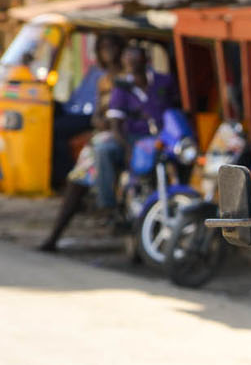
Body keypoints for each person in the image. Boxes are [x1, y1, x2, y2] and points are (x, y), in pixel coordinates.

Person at [37, 33, 125, 253]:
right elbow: (97, 115)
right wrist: (102, 123)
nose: (109, 51)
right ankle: (55, 236)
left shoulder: (131, 77)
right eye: (105, 47)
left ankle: (109, 208)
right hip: (106, 134)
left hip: (127, 136)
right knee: (77, 180)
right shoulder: (103, 79)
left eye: (113, 45)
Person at [96, 42, 182, 212]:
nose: (130, 60)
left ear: (146, 59)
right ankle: (108, 205)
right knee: (103, 150)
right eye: (127, 56)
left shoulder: (163, 81)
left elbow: (177, 108)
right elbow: (116, 124)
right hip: (133, 137)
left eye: (134, 56)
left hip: (164, 136)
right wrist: (127, 147)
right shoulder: (121, 87)